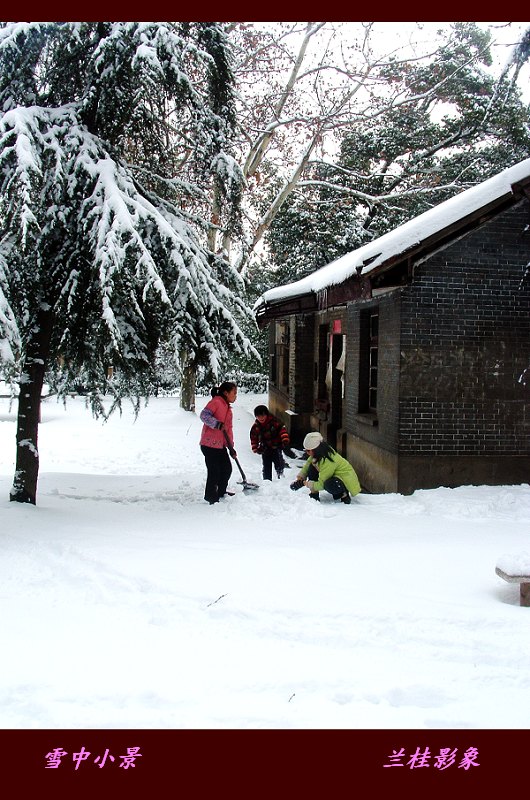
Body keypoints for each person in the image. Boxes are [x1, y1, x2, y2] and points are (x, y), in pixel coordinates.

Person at [290, 431, 361, 503]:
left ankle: (344, 495)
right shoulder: (318, 454)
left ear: (316, 449)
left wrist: (306, 484)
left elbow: (321, 484)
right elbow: (308, 465)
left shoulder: (329, 460)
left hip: (344, 481)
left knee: (329, 484)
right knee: (311, 467)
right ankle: (314, 494)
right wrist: (300, 477)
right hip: (334, 477)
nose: (307, 453)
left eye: (308, 451)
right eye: (306, 450)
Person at [199, 381, 238, 505]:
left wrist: (231, 447)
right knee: (214, 471)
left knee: (227, 469)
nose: (235, 396)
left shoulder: (227, 408)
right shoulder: (216, 402)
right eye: (234, 393)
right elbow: (204, 415)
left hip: (220, 445)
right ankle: (211, 496)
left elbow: (228, 430)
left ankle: (221, 492)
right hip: (209, 444)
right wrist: (215, 423)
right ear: (226, 393)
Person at [250, 405, 293, 480]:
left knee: (278, 462)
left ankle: (280, 476)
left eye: (262, 415)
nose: (261, 418)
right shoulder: (256, 427)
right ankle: (267, 480)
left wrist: (284, 439)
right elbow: (254, 437)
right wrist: (255, 447)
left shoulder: (274, 422)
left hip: (276, 446)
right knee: (266, 465)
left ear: (266, 415)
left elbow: (282, 430)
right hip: (265, 448)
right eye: (258, 416)